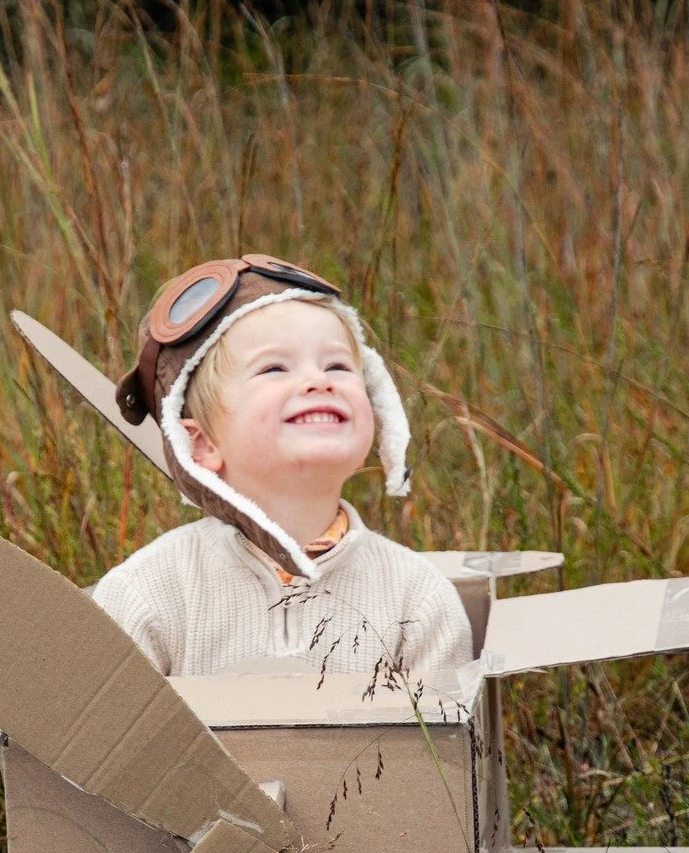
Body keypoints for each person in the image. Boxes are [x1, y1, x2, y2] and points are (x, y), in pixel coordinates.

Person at [92, 255, 472, 681]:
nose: (318, 381)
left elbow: (445, 744)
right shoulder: (151, 594)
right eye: (274, 368)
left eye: (338, 366)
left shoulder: (416, 599)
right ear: (200, 444)